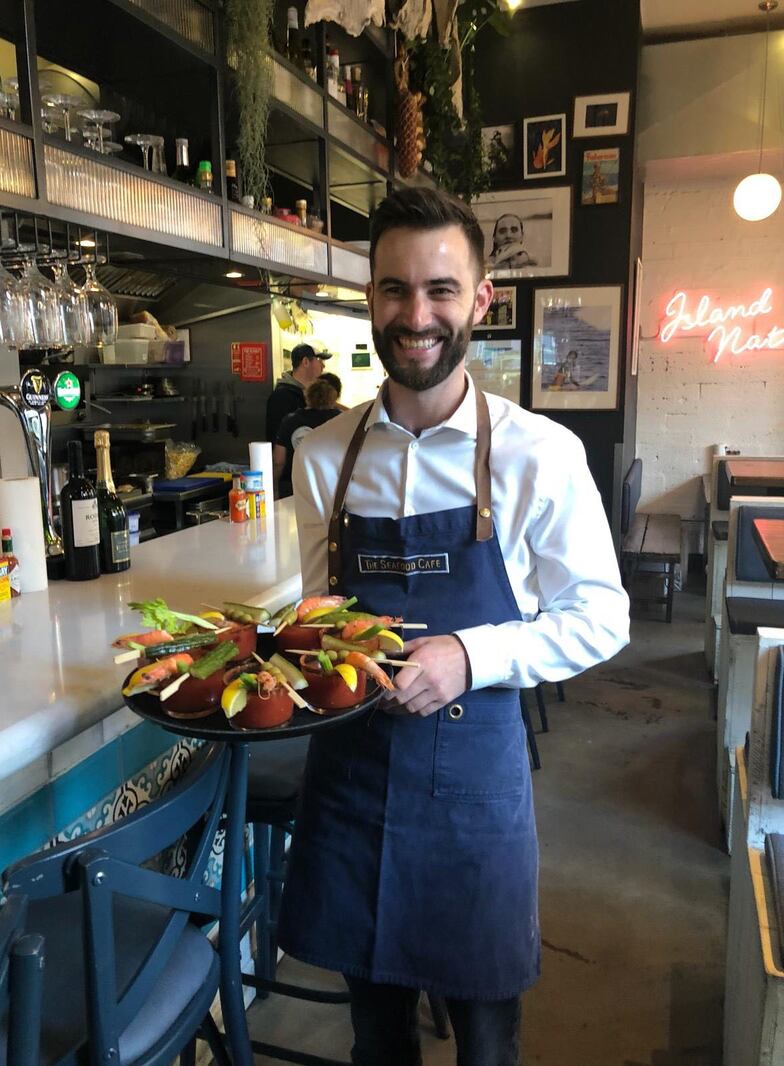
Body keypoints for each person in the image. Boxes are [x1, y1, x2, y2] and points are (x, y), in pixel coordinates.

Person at [278, 187, 630, 1066]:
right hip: (352, 778)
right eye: (395, 289)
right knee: (374, 1037)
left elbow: (602, 616)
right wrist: (301, 645)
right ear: (370, 299)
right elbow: (321, 606)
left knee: (485, 1041)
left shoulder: (538, 455)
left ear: (480, 301)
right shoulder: (323, 455)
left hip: (476, 788)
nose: (417, 314)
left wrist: (471, 656)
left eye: (440, 290)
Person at [273, 378, 341, 498]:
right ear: (332, 398)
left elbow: (279, 460)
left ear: (307, 397)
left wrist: (274, 486)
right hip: (330, 485)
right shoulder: (341, 420)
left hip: (293, 485)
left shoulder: (290, 420)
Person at [264, 342, 331, 442]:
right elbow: (276, 438)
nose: (323, 366)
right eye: (319, 360)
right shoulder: (281, 397)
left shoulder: (311, 395)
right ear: (305, 362)